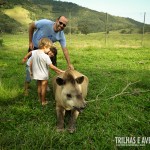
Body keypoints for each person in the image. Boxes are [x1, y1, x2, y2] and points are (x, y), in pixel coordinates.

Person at [29, 38, 64, 105]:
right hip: (43, 75)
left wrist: (31, 72)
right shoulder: (46, 56)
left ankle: (39, 99)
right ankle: (43, 101)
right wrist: (60, 70)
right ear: (45, 47)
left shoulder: (34, 53)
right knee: (44, 88)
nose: (49, 50)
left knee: (39, 87)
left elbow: (31, 63)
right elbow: (51, 66)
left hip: (36, 74)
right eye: (49, 48)